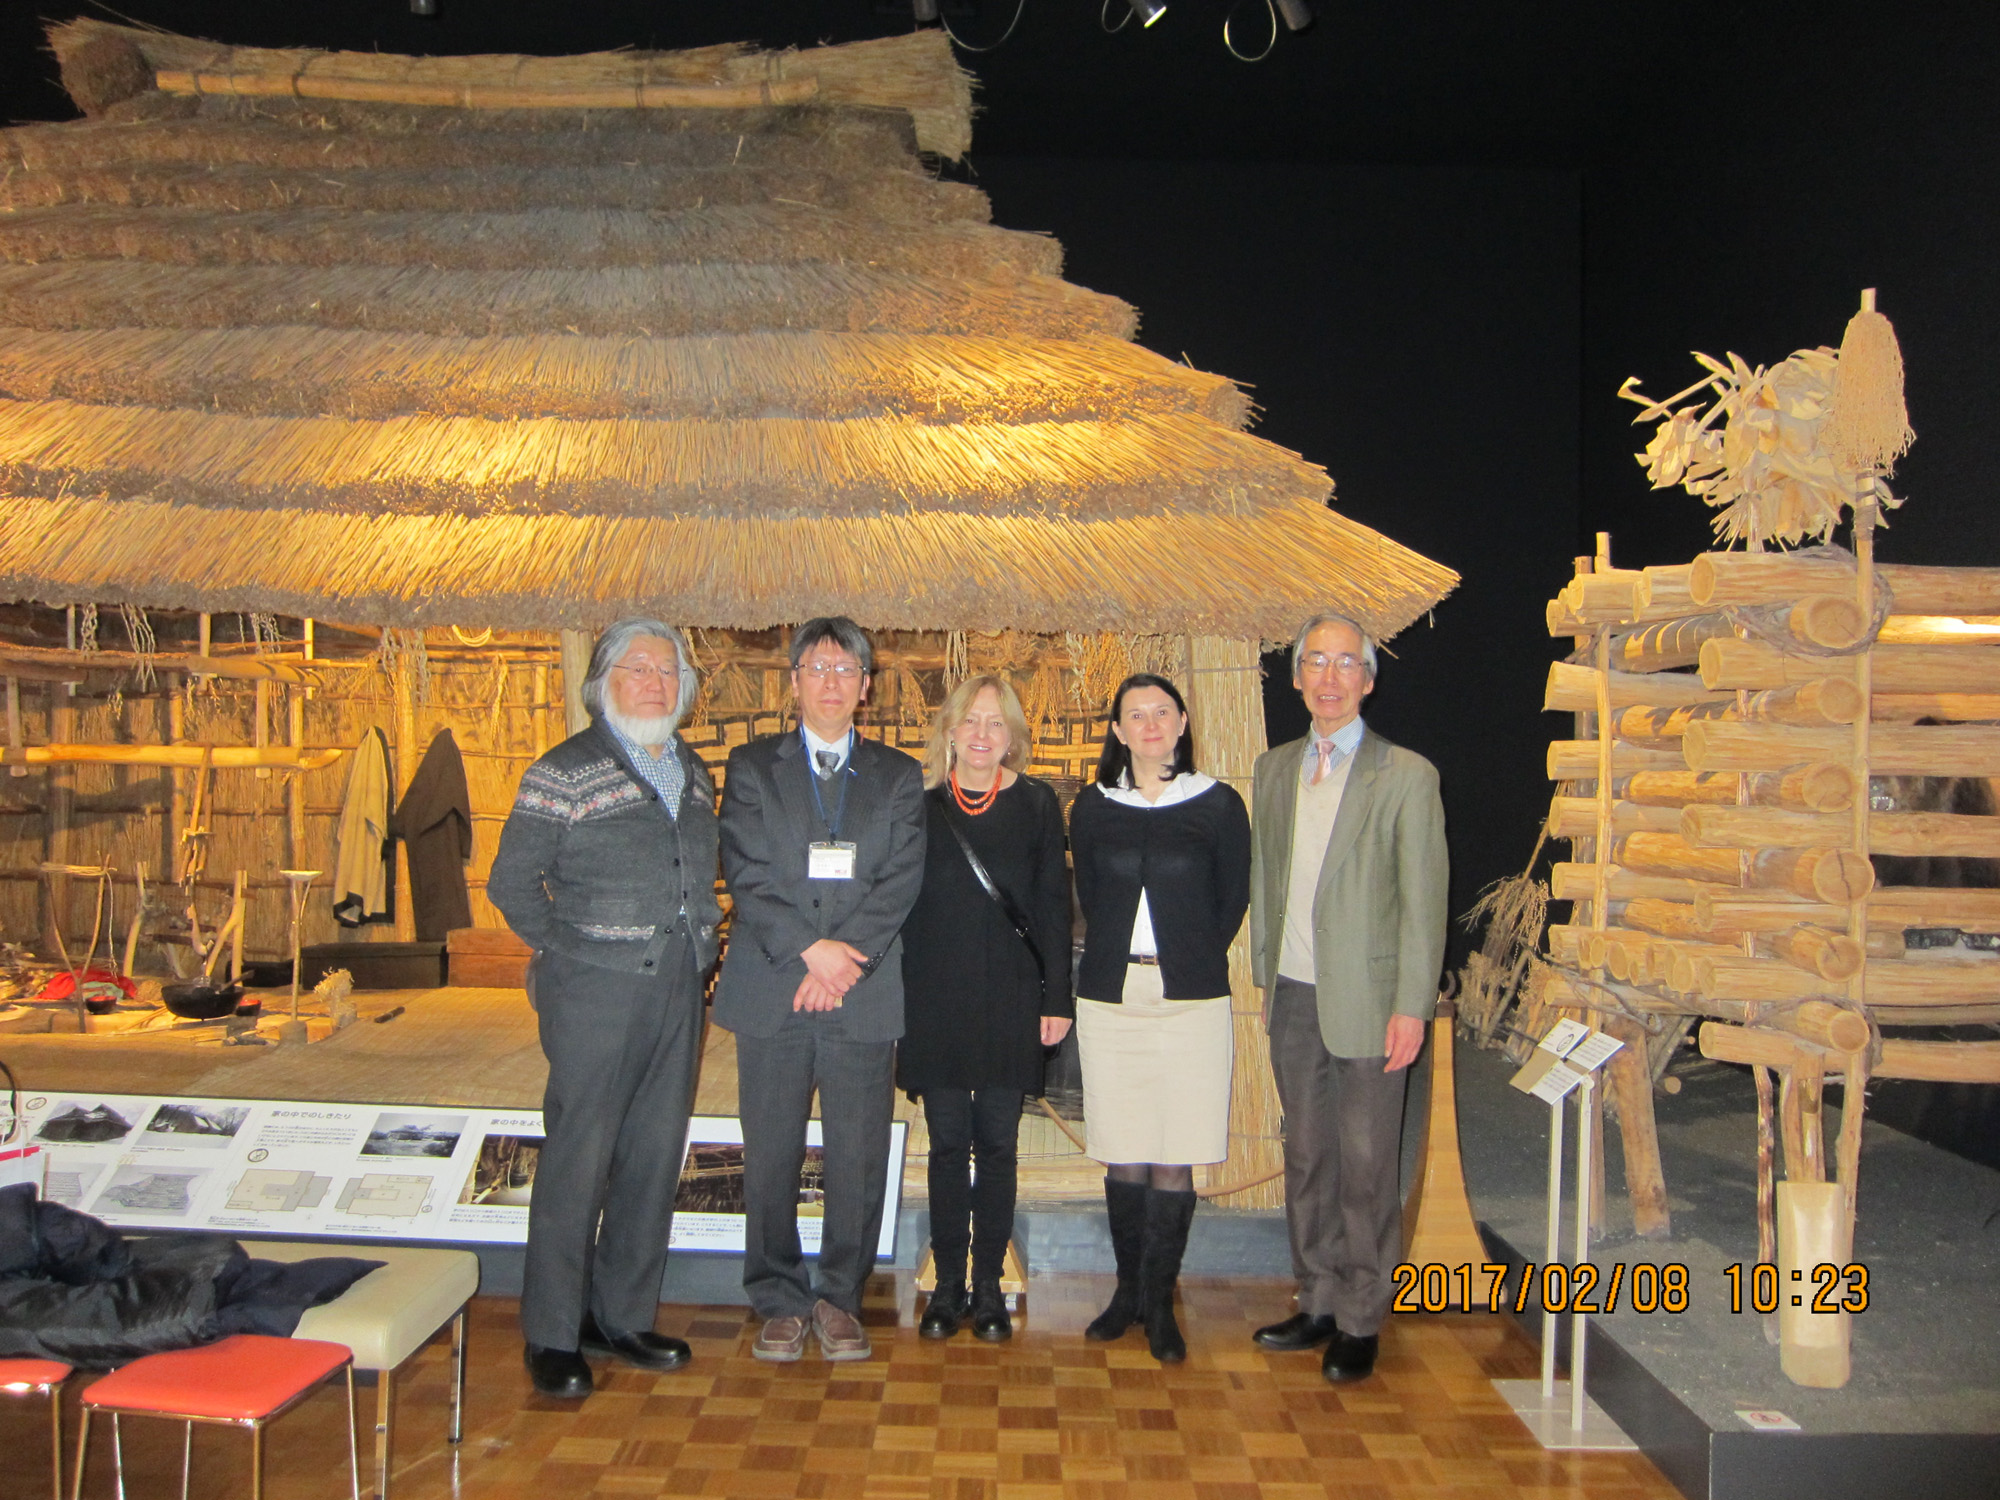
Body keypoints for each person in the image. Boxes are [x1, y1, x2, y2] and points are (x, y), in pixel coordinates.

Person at [488, 618, 721, 1399]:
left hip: (678, 982)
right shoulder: (563, 771)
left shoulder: (693, 771)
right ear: (603, 684)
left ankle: (621, 1316)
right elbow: (511, 884)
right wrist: (572, 949)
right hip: (595, 990)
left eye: (668, 670)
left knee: (654, 1152)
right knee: (579, 1155)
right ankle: (554, 1332)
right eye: (638, 668)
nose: (655, 682)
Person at [713, 617, 925, 1363]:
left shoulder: (898, 775)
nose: (831, 682)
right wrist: (810, 952)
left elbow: (900, 878)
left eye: (846, 670)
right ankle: (776, 1295)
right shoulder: (750, 766)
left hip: (860, 991)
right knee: (770, 1148)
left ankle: (839, 1295)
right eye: (817, 668)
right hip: (774, 985)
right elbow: (745, 868)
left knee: (857, 1153)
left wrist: (843, 963)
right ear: (794, 681)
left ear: (866, 686)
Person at [1247, 613, 1447, 1384]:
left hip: (1372, 1002)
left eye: (1345, 664)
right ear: (1297, 675)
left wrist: (1412, 1006)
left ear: (1368, 678)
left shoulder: (1407, 775)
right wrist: (1265, 978)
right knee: (1306, 1156)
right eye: (1316, 662)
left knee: (1365, 1165)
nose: (1329, 678)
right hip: (1294, 995)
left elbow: (1424, 904)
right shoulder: (1274, 770)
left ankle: (1362, 1317)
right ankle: (1318, 1298)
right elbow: (1268, 880)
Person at [1067, 672, 1251, 1363]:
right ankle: (1127, 1295)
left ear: (1182, 722)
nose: (1150, 724)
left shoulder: (1218, 804)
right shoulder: (1094, 806)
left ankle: (1161, 1302)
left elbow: (1232, 900)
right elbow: (1090, 894)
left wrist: (1187, 956)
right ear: (1117, 731)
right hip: (1112, 998)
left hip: (1191, 1000)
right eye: (1135, 715)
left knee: (1175, 1155)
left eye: (1162, 712)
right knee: (1124, 1149)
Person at [898, 676, 1073, 1343]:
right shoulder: (920, 808)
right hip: (935, 998)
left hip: (1010, 996)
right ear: (949, 731)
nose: (981, 734)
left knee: (998, 1145)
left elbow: (1053, 906)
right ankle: (947, 1286)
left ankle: (990, 1286)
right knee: (947, 1145)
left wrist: (1056, 997)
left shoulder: (1036, 804)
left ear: (1012, 737)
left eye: (995, 723)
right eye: (969, 721)